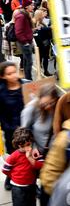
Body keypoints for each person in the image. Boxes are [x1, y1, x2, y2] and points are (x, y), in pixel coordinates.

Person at [2, 127, 44, 206]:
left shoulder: (35, 154)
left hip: (31, 186)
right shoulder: (14, 156)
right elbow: (5, 169)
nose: (26, 148)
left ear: (31, 142)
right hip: (18, 188)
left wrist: (30, 158)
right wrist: (15, 176)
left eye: (28, 144)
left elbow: (41, 166)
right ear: (17, 145)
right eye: (22, 146)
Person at [0, 61, 27, 191]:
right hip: (11, 131)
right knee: (14, 156)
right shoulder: (1, 91)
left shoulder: (26, 85)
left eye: (14, 72)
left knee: (28, 157)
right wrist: (9, 128)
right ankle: (10, 177)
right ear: (3, 76)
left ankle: (30, 182)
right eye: (9, 74)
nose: (13, 75)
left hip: (27, 129)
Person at [14, 0, 34, 80]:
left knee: (26, 62)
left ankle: (27, 78)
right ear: (26, 7)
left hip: (27, 42)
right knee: (29, 62)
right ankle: (29, 79)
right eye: (31, 5)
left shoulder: (25, 15)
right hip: (25, 43)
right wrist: (25, 42)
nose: (33, 6)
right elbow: (18, 32)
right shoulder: (21, 16)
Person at [33, 9, 52, 76]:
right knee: (43, 57)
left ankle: (43, 71)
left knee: (43, 58)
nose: (44, 14)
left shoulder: (40, 22)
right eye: (42, 13)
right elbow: (40, 31)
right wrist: (50, 28)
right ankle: (44, 71)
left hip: (43, 42)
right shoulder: (38, 23)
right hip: (43, 42)